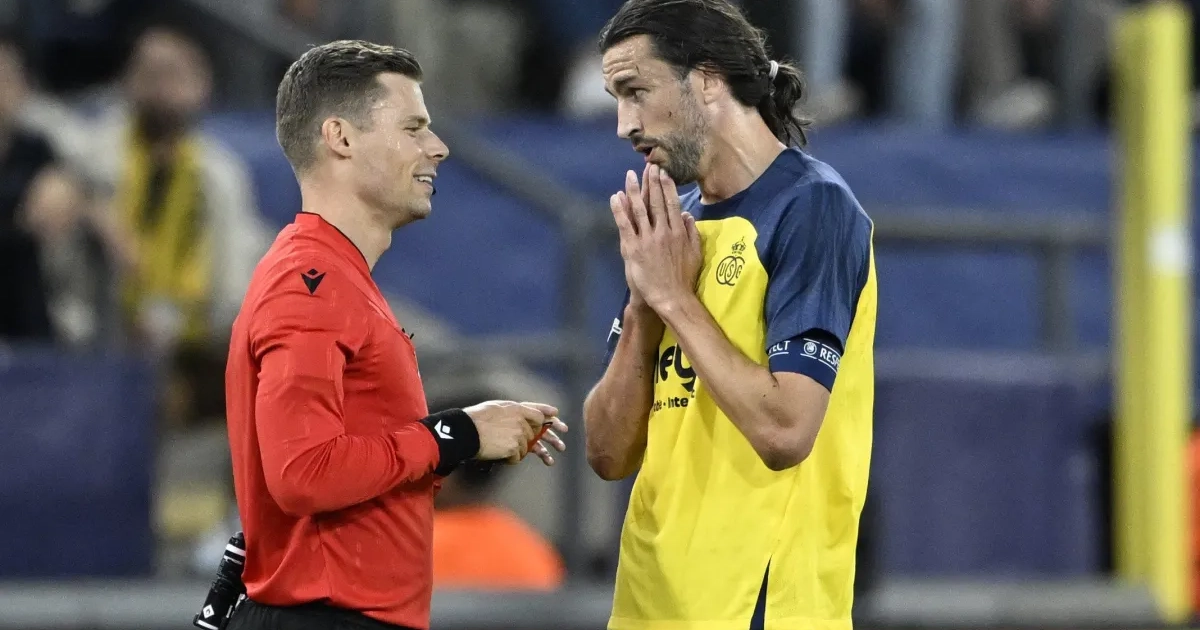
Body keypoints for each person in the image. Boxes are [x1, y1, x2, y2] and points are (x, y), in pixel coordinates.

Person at [223, 40, 568, 630]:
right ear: (341, 137)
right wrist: (456, 433)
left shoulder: (327, 277)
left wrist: (464, 436)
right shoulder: (313, 282)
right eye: (413, 128)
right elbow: (302, 472)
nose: (437, 147)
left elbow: (335, 470)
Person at [583, 2, 877, 630]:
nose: (624, 125)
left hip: (758, 605)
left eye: (636, 91)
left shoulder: (813, 207)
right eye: (616, 99)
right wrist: (643, 306)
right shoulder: (671, 226)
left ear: (708, 79)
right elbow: (607, 454)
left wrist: (675, 299)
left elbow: (786, 432)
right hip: (648, 603)